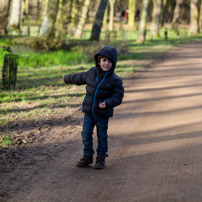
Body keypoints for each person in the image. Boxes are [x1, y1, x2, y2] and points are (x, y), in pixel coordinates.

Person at [63, 46, 124, 169]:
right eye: (104, 60)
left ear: (113, 63)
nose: (106, 63)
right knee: (85, 134)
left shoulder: (115, 80)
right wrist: (67, 78)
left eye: (109, 61)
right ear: (98, 61)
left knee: (102, 135)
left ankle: (101, 158)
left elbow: (118, 97)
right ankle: (87, 156)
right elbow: (79, 77)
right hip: (89, 112)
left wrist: (107, 103)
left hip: (102, 113)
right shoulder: (92, 72)